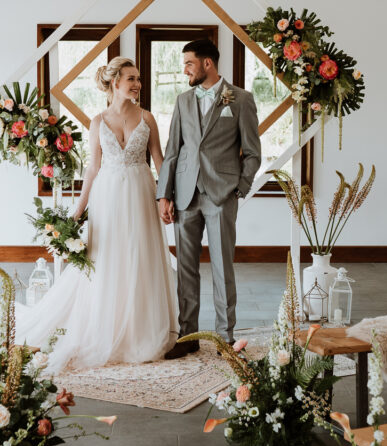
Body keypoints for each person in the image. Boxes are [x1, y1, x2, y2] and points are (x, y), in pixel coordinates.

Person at [15, 56, 179, 372]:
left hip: (141, 191)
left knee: (139, 256)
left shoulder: (147, 118)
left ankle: (139, 330)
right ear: (115, 82)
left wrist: (165, 197)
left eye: (139, 79)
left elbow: (159, 160)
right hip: (108, 197)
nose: (137, 84)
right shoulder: (97, 121)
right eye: (131, 78)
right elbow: (92, 168)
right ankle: (107, 325)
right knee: (108, 259)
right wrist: (77, 213)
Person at [157, 39, 261, 358]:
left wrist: (239, 188)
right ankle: (188, 335)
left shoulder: (240, 99)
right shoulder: (183, 101)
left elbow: (253, 153)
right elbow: (173, 151)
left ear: (207, 64)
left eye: (189, 63)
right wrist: (164, 194)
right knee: (186, 268)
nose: (184, 69)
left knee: (222, 268)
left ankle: (225, 338)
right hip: (186, 195)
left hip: (221, 194)